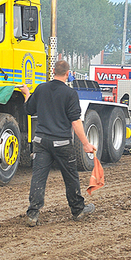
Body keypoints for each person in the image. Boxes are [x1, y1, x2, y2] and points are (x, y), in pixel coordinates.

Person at [21, 60, 97, 227]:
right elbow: (76, 122)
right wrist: (85, 143)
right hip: (62, 143)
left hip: (41, 141)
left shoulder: (41, 89)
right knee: (70, 177)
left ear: (53, 71)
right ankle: (77, 210)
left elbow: (28, 109)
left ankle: (33, 213)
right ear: (68, 73)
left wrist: (26, 93)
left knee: (38, 178)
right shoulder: (70, 94)